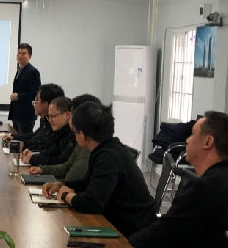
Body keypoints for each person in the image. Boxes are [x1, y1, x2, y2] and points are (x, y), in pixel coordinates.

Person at [128, 111, 228, 248]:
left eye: (192, 134)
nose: (187, 140)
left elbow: (163, 235)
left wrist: (125, 246)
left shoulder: (206, 188)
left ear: (207, 142)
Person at [53, 101, 156, 236]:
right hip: (122, 223)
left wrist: (66, 195)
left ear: (82, 135)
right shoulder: (106, 148)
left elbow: (92, 203)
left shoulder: (108, 157)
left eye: (75, 132)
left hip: (132, 231)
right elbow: (87, 183)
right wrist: (62, 185)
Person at [29, 94, 100, 182]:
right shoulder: (76, 138)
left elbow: (70, 176)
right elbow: (66, 164)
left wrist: (62, 185)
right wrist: (42, 169)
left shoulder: (82, 141)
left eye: (53, 116)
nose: (50, 120)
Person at [5, 83, 64, 150]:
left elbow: (45, 145)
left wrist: (23, 146)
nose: (34, 104)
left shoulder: (57, 124)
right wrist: (13, 137)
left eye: (36, 101)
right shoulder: (45, 119)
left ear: (45, 105)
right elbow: (35, 136)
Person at [20, 96, 76, 167]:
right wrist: (33, 154)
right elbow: (51, 152)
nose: (49, 120)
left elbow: (61, 161)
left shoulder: (74, 135)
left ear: (67, 115)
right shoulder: (61, 131)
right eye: (49, 116)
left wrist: (33, 159)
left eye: (53, 116)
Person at [8, 43, 41, 135]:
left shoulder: (33, 72)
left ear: (29, 56)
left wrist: (18, 96)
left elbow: (36, 94)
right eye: (19, 53)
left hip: (26, 115)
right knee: (16, 139)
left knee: (24, 140)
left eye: (23, 53)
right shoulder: (19, 70)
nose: (20, 56)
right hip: (16, 114)